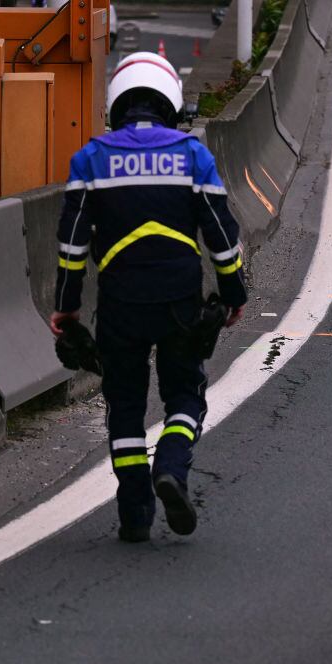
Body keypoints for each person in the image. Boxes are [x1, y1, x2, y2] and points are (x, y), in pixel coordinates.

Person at [49, 51, 247, 542]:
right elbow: (222, 236)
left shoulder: (90, 158)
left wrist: (67, 306)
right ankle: (172, 469)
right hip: (179, 299)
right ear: (170, 103)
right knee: (185, 393)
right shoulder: (192, 154)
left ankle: (135, 513)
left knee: (125, 405)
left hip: (120, 302)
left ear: (117, 104)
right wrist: (233, 292)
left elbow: (72, 247)